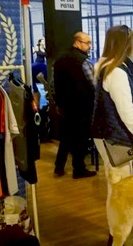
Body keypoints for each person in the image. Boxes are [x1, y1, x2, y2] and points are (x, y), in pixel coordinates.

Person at [91, 25, 133, 245]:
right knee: (120, 189)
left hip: (110, 134)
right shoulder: (117, 72)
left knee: (124, 186)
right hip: (113, 137)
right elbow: (126, 113)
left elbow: (130, 109)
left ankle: (127, 226)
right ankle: (117, 234)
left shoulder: (107, 66)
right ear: (127, 44)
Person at [53, 32, 96, 179]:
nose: (90, 46)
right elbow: (94, 85)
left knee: (65, 137)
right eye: (87, 43)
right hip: (81, 107)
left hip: (64, 106)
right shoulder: (83, 61)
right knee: (80, 140)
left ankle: (59, 167)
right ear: (77, 43)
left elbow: (54, 84)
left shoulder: (59, 59)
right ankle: (79, 169)